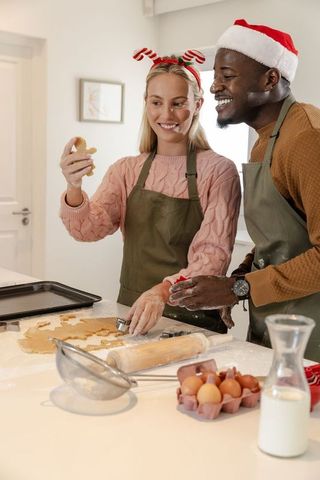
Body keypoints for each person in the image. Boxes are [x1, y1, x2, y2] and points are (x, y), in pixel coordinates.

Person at [59, 48, 241, 336]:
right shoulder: (127, 170)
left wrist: (163, 291)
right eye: (156, 102)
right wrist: (74, 187)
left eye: (178, 103)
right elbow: (88, 230)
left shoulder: (219, 171)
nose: (166, 114)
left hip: (193, 323)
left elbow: (213, 256)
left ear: (197, 105)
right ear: (146, 103)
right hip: (132, 316)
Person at [170, 19, 320, 361]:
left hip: (312, 334)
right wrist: (239, 279)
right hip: (276, 322)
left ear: (270, 79)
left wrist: (240, 287)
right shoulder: (264, 141)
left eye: (227, 76)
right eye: (216, 77)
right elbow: (281, 239)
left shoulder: (308, 138)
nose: (214, 88)